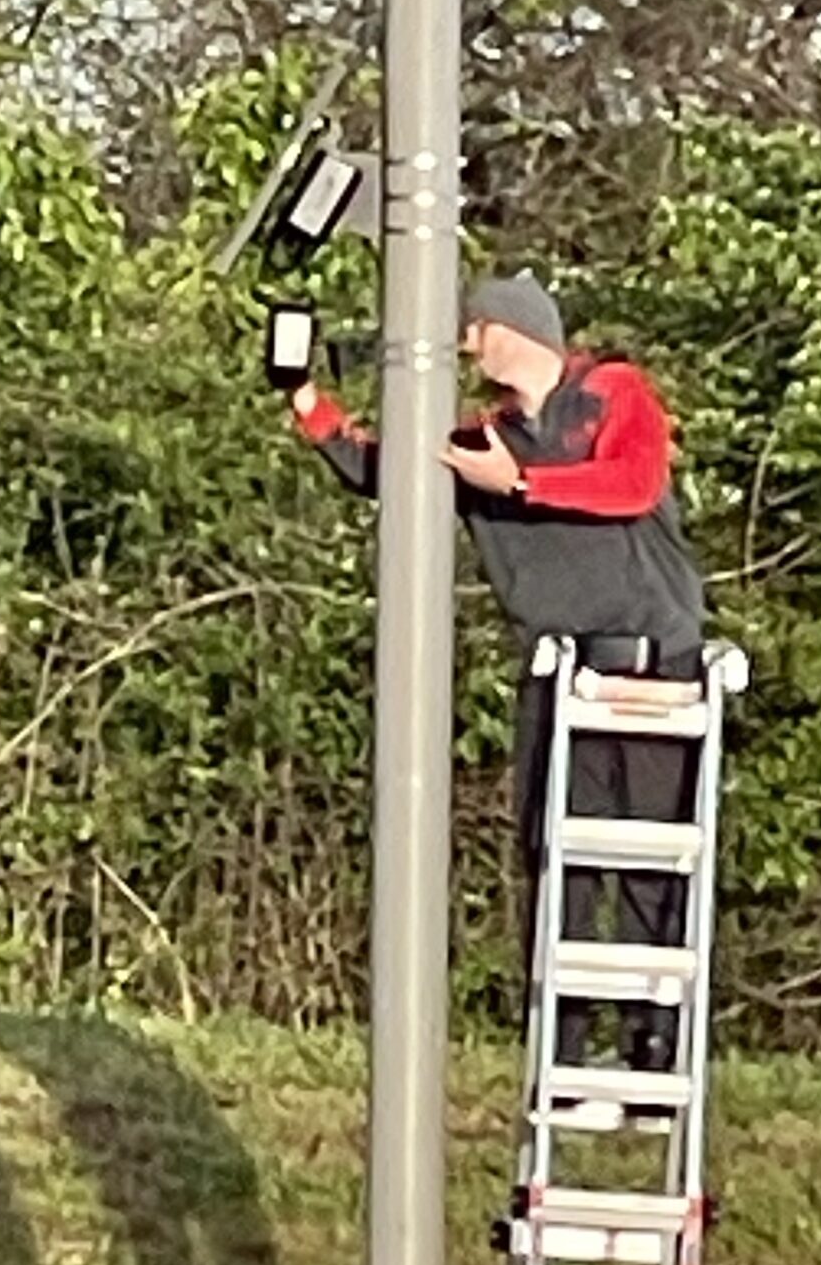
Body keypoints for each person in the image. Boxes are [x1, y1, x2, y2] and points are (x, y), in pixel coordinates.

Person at [288, 269, 705, 1070]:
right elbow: (387, 470)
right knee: (556, 859)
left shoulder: (614, 393)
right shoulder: (491, 439)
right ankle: (569, 1044)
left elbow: (631, 482)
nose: (468, 347)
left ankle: (657, 1043)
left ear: (510, 330)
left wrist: (520, 484)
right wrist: (308, 401)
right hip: (559, 670)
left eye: (475, 330)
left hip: (651, 667)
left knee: (648, 854)